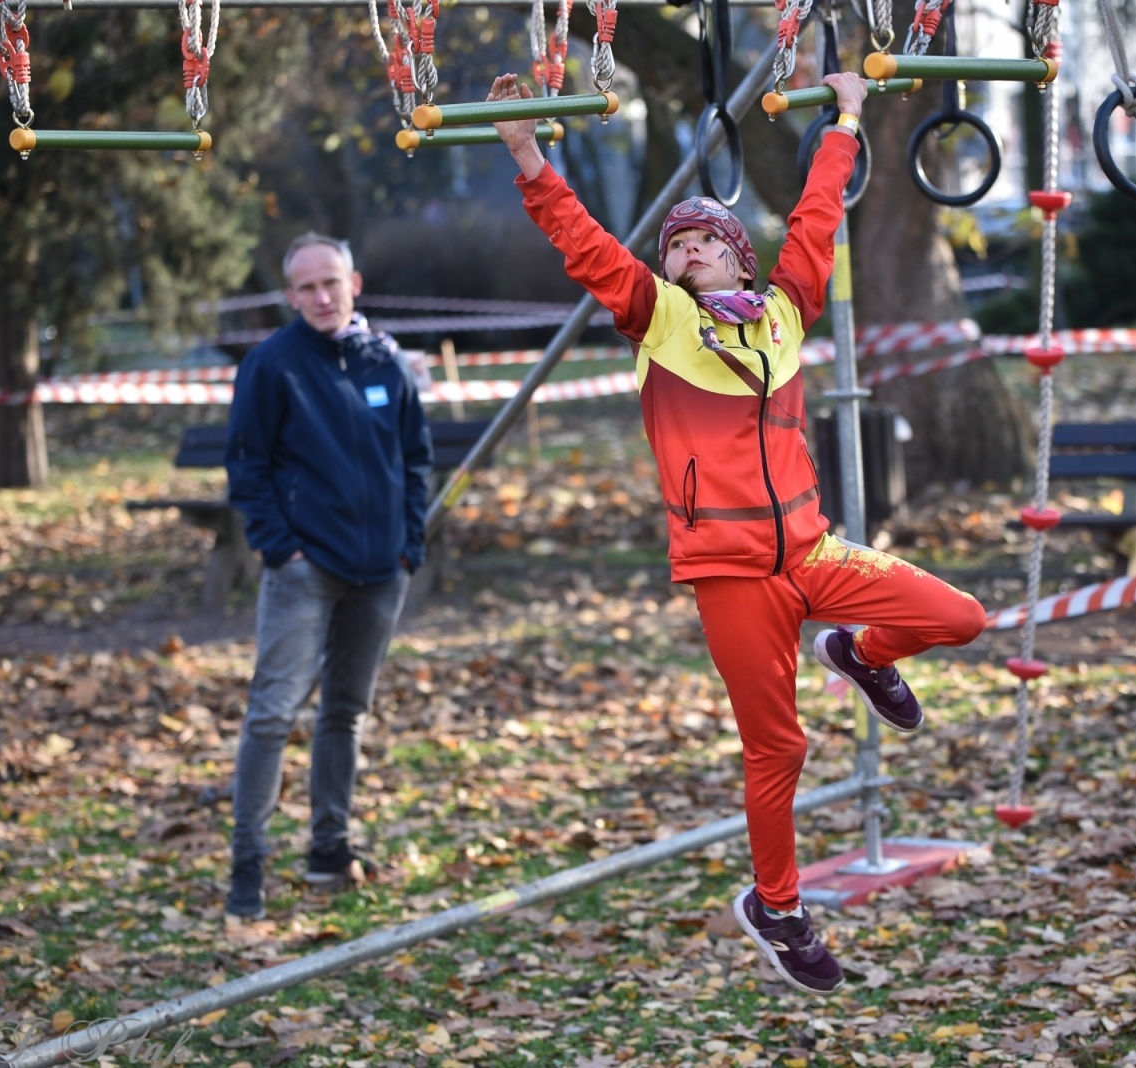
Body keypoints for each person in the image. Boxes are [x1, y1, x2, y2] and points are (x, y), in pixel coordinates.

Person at [492, 73, 987, 993]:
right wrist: (527, 153)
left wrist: (843, 119)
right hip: (729, 573)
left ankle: (863, 653)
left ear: (738, 258)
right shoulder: (659, 322)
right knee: (780, 748)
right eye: (673, 245)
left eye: (702, 242)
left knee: (959, 615)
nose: (683, 254)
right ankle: (780, 907)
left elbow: (815, 219)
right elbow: (583, 242)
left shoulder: (787, 314)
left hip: (813, 552)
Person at [222, 232, 433, 920]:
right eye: (306, 287)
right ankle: (247, 866)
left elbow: (416, 457)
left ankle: (328, 851)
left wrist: (409, 545)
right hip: (304, 572)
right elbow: (247, 468)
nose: (320, 297)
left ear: (355, 285)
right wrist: (282, 550)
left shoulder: (386, 361)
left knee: (345, 713)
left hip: (381, 573)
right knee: (272, 714)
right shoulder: (271, 365)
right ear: (290, 295)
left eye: (331, 284)